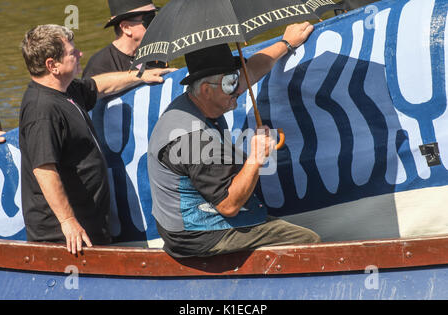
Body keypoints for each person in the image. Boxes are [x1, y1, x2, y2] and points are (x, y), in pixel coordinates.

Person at [148, 22, 321, 258]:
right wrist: (257, 158)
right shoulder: (192, 140)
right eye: (230, 84)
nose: (238, 90)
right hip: (198, 235)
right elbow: (228, 206)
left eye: (235, 79)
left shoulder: (204, 95)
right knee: (307, 241)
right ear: (206, 90)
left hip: (204, 211)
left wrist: (286, 42)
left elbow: (253, 70)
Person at [19, 24, 175, 254]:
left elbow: (98, 85)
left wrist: (139, 75)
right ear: (52, 65)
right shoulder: (42, 110)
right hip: (63, 239)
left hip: (89, 226)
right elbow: (44, 170)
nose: (80, 54)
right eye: (72, 53)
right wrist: (67, 221)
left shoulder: (66, 89)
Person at [82, 0, 164, 79]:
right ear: (126, 28)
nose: (156, 25)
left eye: (156, 18)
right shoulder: (99, 66)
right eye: (149, 20)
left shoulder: (156, 56)